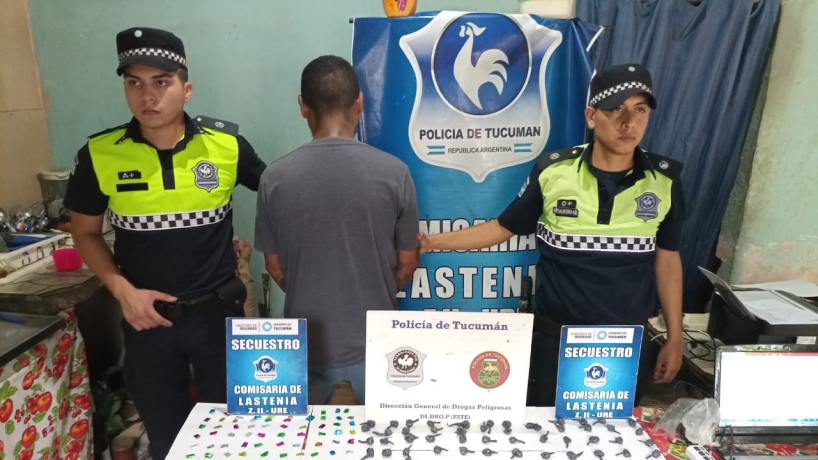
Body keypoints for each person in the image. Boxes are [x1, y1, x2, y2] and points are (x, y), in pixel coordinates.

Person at [421, 64, 685, 406]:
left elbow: (668, 259)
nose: (628, 123)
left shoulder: (665, 181)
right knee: (544, 430)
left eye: (640, 110)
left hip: (624, 343)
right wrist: (430, 242)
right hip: (556, 340)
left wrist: (675, 337)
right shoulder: (554, 172)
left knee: (614, 433)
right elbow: (504, 227)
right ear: (591, 116)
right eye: (615, 109)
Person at [64, 27, 266, 458]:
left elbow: (277, 191)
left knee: (234, 436)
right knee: (168, 441)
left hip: (218, 316)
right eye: (134, 83)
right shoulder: (100, 154)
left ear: (186, 90)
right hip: (146, 322)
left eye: (161, 82)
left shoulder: (227, 146)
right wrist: (122, 292)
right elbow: (84, 231)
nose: (147, 96)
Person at [254, 55, 419, 404]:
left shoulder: (274, 178)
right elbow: (408, 262)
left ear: (302, 106)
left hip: (304, 342)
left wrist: (309, 288)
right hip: (377, 341)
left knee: (303, 435)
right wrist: (376, 287)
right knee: (384, 434)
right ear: (360, 102)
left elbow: (275, 267)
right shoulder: (395, 173)